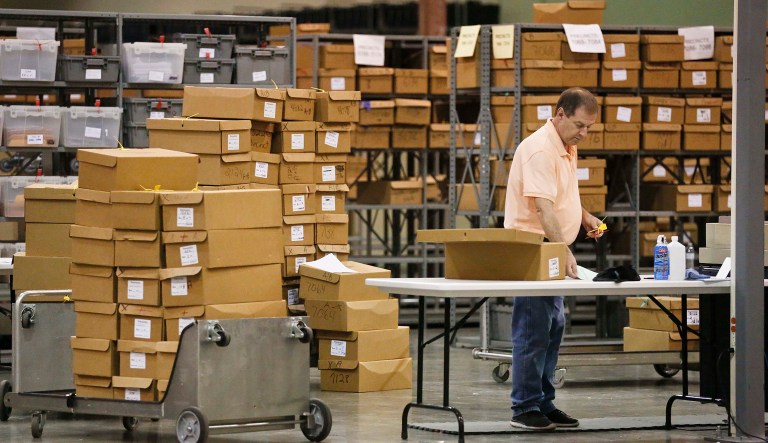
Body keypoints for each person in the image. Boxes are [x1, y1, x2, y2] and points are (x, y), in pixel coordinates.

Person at [503, 87, 605, 431]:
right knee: (533, 328)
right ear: (559, 114)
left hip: (549, 248)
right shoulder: (539, 150)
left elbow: (559, 197)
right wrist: (563, 249)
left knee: (554, 326)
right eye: (579, 124)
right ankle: (525, 406)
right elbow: (542, 207)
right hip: (533, 249)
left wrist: (583, 216)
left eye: (589, 127)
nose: (584, 133)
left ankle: (544, 402)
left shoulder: (566, 147)